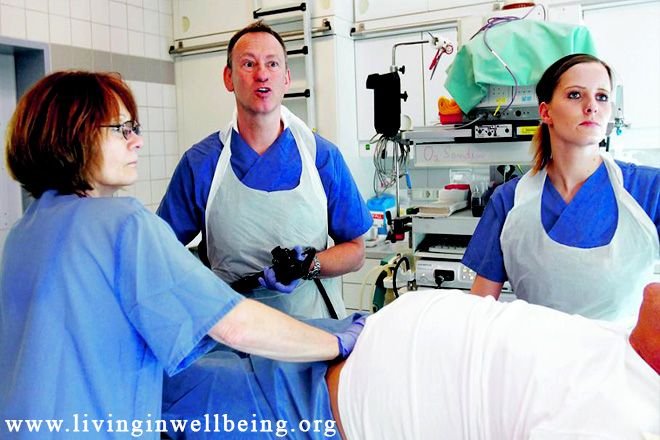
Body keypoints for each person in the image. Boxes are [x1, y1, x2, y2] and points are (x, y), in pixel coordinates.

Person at [0, 71, 366, 439]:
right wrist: (336, 342)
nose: (137, 141)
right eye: (121, 130)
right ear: (73, 135)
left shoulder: (24, 231)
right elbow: (234, 326)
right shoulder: (125, 223)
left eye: (134, 128)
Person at [161, 284, 660, 439]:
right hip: (338, 339)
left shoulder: (626, 421)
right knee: (161, 342)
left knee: (139, 394)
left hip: (306, 412)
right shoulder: (625, 343)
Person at [157, 21, 373, 320]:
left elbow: (356, 251)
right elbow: (160, 252)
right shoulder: (201, 164)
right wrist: (201, 287)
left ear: (286, 78)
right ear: (229, 77)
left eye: (272, 64)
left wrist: (307, 266)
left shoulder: (322, 157)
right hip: (231, 333)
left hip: (314, 330)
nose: (262, 74)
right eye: (248, 64)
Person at [462, 53, 659, 324]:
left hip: (622, 352)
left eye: (602, 96)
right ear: (546, 112)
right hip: (537, 350)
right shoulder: (509, 201)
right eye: (575, 95)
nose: (592, 106)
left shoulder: (648, 191)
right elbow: (477, 313)